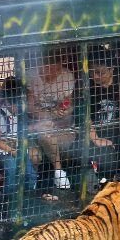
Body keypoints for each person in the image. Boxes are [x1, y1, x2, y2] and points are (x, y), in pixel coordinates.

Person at [87, 50, 120, 182]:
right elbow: (84, 115)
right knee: (105, 155)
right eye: (92, 72)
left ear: (111, 70)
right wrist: (96, 139)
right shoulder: (87, 86)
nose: (95, 76)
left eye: (100, 72)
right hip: (95, 133)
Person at [27, 51, 77, 190]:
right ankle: (56, 173)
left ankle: (58, 172)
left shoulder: (67, 76)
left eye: (57, 68)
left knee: (48, 133)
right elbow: (30, 108)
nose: (55, 72)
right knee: (37, 150)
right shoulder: (31, 75)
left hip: (62, 127)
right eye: (50, 67)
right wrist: (48, 115)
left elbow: (69, 105)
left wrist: (63, 111)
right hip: (36, 127)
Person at [0, 77, 37, 200]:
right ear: (8, 102)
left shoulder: (18, 115)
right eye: (16, 105)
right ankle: (8, 199)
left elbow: (24, 130)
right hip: (5, 152)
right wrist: (12, 151)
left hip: (19, 151)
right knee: (13, 170)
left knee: (31, 175)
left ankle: (27, 198)